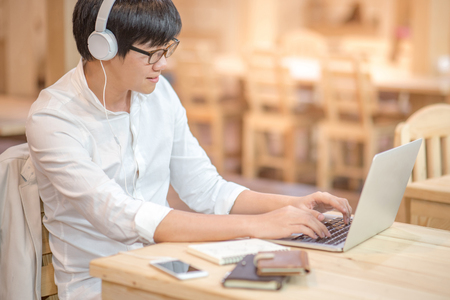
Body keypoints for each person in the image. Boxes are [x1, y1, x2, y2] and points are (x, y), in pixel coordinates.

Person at [26, 0, 352, 299]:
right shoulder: (54, 118)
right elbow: (122, 217)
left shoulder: (159, 95)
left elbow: (206, 189)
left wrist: (293, 204)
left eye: (167, 49)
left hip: (166, 265)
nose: (164, 64)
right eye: (152, 53)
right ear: (103, 47)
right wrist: (260, 223)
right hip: (99, 284)